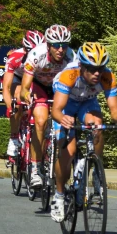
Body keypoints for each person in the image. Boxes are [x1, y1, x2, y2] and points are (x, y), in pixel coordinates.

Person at [49, 42, 117, 222]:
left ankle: (96, 170)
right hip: (67, 104)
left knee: (97, 125)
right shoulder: (69, 75)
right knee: (67, 152)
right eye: (92, 69)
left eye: (100, 69)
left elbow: (114, 110)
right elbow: (56, 110)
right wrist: (63, 119)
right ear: (81, 66)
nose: (97, 73)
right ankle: (59, 195)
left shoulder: (107, 76)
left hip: (87, 102)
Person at [19, 24, 75, 188]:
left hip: (59, 88)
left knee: (67, 122)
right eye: (57, 45)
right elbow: (24, 87)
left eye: (64, 45)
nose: (61, 49)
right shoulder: (36, 54)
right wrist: (26, 95)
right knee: (41, 121)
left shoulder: (71, 56)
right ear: (49, 45)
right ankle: (36, 168)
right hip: (39, 86)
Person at [2, 30, 45, 158]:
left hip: (34, 79)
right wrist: (11, 107)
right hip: (17, 78)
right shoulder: (15, 57)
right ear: (26, 50)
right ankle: (14, 138)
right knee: (17, 97)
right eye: (32, 51)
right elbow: (6, 87)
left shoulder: (44, 57)